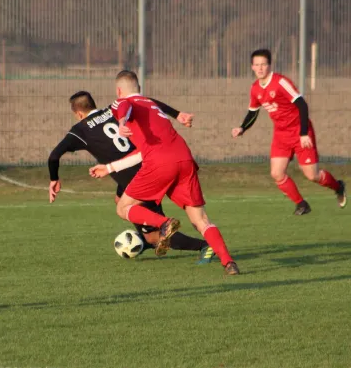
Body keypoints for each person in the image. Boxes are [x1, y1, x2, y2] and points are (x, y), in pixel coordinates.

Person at [89, 70, 239, 275]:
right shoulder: (150, 105)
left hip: (160, 163)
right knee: (201, 220)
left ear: (118, 90)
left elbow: (124, 105)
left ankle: (164, 223)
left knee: (123, 207)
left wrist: (122, 122)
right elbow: (143, 152)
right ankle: (228, 262)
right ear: (139, 89)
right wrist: (109, 168)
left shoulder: (120, 102)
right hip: (185, 158)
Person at [48, 91, 214, 263]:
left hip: (139, 179)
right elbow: (147, 101)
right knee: (118, 199)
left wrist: (54, 179)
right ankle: (147, 236)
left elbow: (54, 156)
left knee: (155, 235)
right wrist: (177, 114)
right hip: (145, 165)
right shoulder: (113, 110)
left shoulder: (80, 130)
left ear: (78, 113)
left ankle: (204, 246)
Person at [232, 49, 346, 215]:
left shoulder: (280, 82)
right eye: (257, 65)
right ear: (252, 67)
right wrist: (242, 127)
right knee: (276, 173)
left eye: (263, 64)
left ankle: (338, 186)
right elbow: (253, 112)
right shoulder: (255, 88)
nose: (260, 68)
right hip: (281, 134)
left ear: (269, 65)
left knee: (312, 175)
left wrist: (304, 133)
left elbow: (302, 104)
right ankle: (301, 204)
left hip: (300, 130)